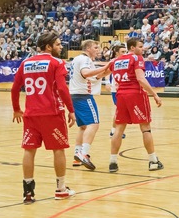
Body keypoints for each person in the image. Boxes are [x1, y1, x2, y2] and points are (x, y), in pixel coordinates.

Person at [11, 32, 76, 203]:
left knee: (29, 150)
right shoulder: (56, 62)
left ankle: (28, 192)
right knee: (58, 149)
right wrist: (71, 110)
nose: (61, 47)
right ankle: (61, 188)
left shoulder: (25, 63)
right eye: (58, 44)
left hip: (31, 115)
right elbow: (62, 89)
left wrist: (17, 109)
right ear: (48, 47)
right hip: (52, 114)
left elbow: (15, 88)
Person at [108, 38, 164, 173]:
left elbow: (104, 71)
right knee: (145, 128)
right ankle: (153, 161)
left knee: (119, 129)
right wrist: (154, 94)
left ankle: (113, 162)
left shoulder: (116, 60)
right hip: (136, 95)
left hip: (120, 95)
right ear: (132, 48)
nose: (142, 49)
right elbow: (140, 78)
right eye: (140, 46)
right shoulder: (137, 58)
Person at [69, 40, 110, 171]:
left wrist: (108, 70)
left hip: (74, 95)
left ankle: (77, 154)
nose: (98, 50)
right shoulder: (85, 60)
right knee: (94, 124)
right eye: (96, 47)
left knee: (83, 127)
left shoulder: (78, 59)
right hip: (83, 96)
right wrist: (105, 66)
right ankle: (84, 153)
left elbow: (94, 77)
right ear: (87, 48)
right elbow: (86, 73)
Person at [108, 43, 127, 139]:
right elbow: (107, 72)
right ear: (116, 53)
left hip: (124, 89)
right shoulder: (113, 61)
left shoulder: (126, 61)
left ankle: (115, 131)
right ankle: (113, 131)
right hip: (116, 90)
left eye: (125, 51)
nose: (124, 53)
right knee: (119, 111)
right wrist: (107, 82)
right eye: (122, 52)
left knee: (121, 111)